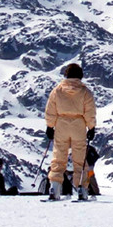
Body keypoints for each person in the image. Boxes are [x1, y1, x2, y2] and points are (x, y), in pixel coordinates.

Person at [45, 62, 96, 201]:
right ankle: (82, 189)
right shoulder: (85, 92)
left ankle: (54, 187)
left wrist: (50, 126)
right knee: (80, 159)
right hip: (78, 124)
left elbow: (51, 109)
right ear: (80, 76)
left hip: (61, 123)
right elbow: (90, 112)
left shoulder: (58, 90)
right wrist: (91, 128)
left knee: (58, 157)